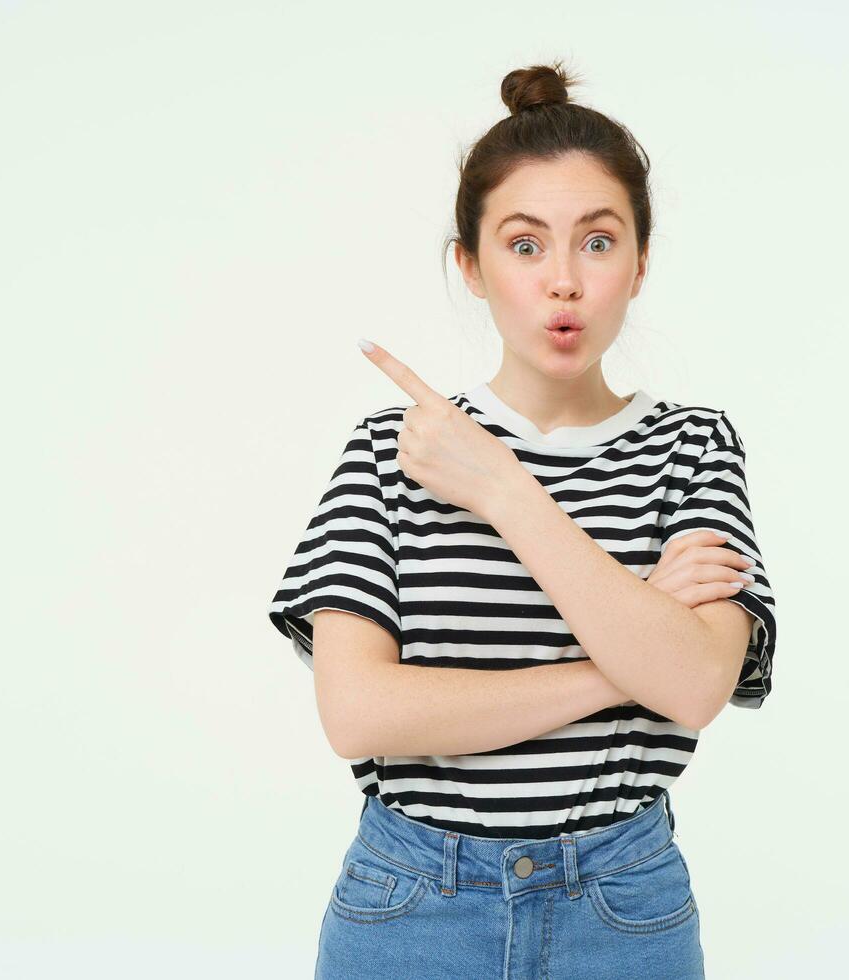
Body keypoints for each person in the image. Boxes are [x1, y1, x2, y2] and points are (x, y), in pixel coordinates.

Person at [268, 60, 777, 979]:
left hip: (624, 909)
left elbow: (699, 686)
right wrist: (625, 656)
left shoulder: (694, 448)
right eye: (525, 243)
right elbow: (357, 712)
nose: (565, 282)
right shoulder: (396, 448)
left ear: (641, 260)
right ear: (471, 265)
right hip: (411, 908)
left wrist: (504, 490)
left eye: (597, 240)